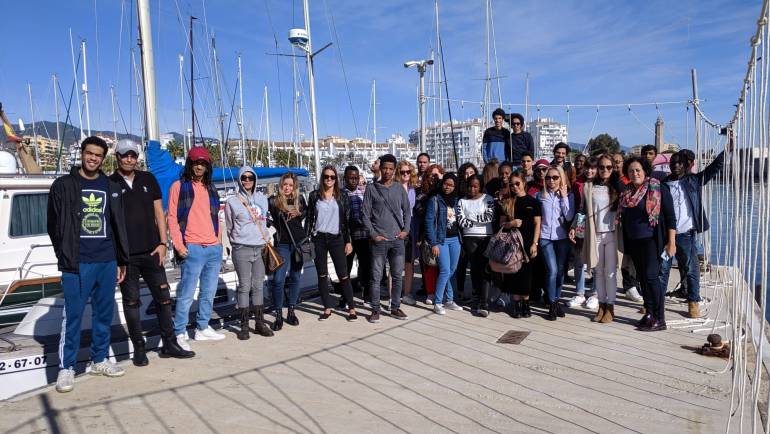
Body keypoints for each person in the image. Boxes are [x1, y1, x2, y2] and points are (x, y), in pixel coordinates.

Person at [48, 136, 130, 393]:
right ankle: (66, 367)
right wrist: (64, 253)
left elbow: (117, 224)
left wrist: (120, 259)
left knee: (104, 315)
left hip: (107, 259)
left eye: (98, 155)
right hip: (77, 262)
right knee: (72, 316)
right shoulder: (63, 185)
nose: (93, 158)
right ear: (82, 154)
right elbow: (53, 224)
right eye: (89, 153)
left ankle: (99, 360)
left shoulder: (110, 185)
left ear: (103, 158)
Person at [110, 139, 194, 364]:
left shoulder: (148, 179)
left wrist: (163, 243)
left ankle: (169, 343)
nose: (129, 159)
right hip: (126, 256)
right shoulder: (110, 183)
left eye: (133, 155)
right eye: (124, 155)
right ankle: (139, 347)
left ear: (137, 158)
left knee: (164, 299)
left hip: (152, 251)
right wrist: (116, 256)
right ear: (117, 156)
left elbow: (159, 212)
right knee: (131, 302)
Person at [168, 147, 226, 347]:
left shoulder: (211, 188)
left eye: (203, 163)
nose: (199, 166)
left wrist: (218, 242)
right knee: (186, 293)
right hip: (191, 247)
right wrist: (178, 244)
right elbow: (173, 218)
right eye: (195, 163)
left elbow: (216, 217)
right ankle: (180, 331)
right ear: (190, 164)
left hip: (212, 248)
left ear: (207, 166)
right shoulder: (179, 186)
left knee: (208, 292)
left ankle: (202, 327)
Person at [659, 148, 725, 318]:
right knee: (662, 269)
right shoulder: (663, 184)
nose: (675, 165)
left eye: (679, 162)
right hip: (666, 235)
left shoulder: (694, 180)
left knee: (691, 269)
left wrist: (728, 151)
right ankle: (656, 303)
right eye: (672, 163)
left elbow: (714, 167)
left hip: (687, 234)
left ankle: (693, 302)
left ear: (685, 165)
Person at [618, 157, 676, 332]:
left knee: (651, 277)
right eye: (630, 171)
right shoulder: (626, 193)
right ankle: (649, 313)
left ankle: (660, 318)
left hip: (652, 240)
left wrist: (671, 242)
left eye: (638, 170)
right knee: (642, 278)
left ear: (645, 171)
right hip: (634, 242)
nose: (634, 174)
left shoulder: (658, 188)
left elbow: (670, 217)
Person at [225, 166, 275, 339]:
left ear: (254, 179)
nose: (247, 181)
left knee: (258, 286)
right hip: (242, 248)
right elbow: (230, 227)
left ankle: (260, 323)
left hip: (260, 247)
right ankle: (244, 325)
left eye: (250, 177)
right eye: (244, 178)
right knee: (245, 286)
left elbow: (264, 221)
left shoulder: (262, 198)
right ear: (240, 180)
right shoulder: (232, 201)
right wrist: (237, 242)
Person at [362, 153, 411, 322]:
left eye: (391, 168)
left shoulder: (399, 188)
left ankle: (395, 307)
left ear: (394, 169)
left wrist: (406, 230)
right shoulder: (371, 188)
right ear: (380, 168)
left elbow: (407, 211)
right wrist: (374, 235)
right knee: (376, 277)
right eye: (385, 168)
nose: (388, 171)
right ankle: (375, 309)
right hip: (379, 241)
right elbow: (365, 215)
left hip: (397, 240)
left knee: (397, 276)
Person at [305, 166, 358, 321]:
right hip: (319, 239)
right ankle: (327, 308)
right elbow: (309, 218)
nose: (329, 179)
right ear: (322, 178)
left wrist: (348, 241)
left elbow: (347, 222)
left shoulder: (342, 196)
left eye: (332, 177)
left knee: (343, 275)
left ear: (336, 179)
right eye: (326, 176)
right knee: (322, 275)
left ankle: (352, 308)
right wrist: (308, 238)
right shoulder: (314, 195)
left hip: (336, 238)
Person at [570, 154, 619, 322]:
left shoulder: (617, 186)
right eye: (602, 167)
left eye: (608, 167)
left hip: (612, 234)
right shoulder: (588, 186)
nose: (605, 170)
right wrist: (574, 226)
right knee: (597, 272)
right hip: (594, 234)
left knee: (610, 273)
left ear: (613, 168)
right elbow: (583, 210)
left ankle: (610, 307)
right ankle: (601, 305)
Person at [498, 171, 541, 318]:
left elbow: (537, 224)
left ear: (524, 183)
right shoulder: (507, 201)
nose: (515, 187)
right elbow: (501, 224)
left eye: (517, 183)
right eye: (512, 185)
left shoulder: (533, 202)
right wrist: (511, 223)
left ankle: (526, 303)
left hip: (528, 243)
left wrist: (535, 243)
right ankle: (516, 303)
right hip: (512, 244)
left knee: (527, 274)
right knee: (514, 273)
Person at [267, 172, 307, 330]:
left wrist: (300, 213)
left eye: (291, 185)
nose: (288, 188)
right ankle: (278, 313)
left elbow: (308, 215)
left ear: (295, 186)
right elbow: (264, 217)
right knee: (278, 279)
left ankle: (291, 309)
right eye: (285, 185)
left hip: (298, 243)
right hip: (282, 244)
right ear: (281, 185)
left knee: (296, 277)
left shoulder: (300, 200)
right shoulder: (273, 201)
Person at [537, 166, 574, 320]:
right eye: (548, 178)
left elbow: (569, 215)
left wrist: (564, 197)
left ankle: (556, 299)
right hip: (545, 237)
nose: (551, 181)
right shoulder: (540, 196)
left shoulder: (568, 195)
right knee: (552, 270)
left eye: (555, 177)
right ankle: (551, 303)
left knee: (559, 271)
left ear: (561, 179)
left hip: (562, 238)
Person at [457, 175, 496, 316]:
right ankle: (476, 297)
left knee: (485, 269)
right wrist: (477, 219)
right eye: (470, 186)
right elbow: (462, 221)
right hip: (469, 237)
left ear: (480, 186)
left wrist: (470, 218)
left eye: (475, 186)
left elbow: (489, 217)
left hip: (486, 236)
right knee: (474, 268)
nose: (472, 189)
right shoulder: (461, 201)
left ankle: (484, 302)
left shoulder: (488, 199)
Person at [424, 173, 463, 315]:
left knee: (452, 271)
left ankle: (449, 300)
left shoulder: (457, 200)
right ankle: (438, 302)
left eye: (451, 185)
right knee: (445, 270)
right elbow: (428, 223)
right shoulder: (434, 200)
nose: (448, 187)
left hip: (456, 239)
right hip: (441, 240)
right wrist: (433, 243)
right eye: (446, 184)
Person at [566, 156, 598, 310]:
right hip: (581, 224)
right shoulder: (579, 183)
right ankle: (579, 293)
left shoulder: (602, 185)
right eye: (587, 167)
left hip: (598, 228)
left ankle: (595, 294)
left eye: (593, 168)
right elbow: (579, 209)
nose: (589, 170)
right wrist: (573, 227)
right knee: (579, 262)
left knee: (596, 263)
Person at [414, 164, 445, 304]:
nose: (433, 178)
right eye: (431, 175)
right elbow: (420, 211)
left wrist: (441, 181)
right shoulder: (422, 192)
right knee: (429, 265)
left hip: (444, 233)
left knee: (443, 266)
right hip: (426, 232)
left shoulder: (446, 191)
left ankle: (441, 291)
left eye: (436, 175)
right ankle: (430, 292)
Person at [343, 166, 371, 305]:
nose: (353, 181)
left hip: (364, 235)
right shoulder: (341, 194)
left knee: (366, 266)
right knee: (345, 268)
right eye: (350, 178)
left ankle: (367, 295)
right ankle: (346, 297)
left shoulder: (364, 192)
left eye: (355, 178)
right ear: (345, 179)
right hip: (347, 237)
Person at [397, 160, 420, 306]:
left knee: (409, 263)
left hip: (411, 226)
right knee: (395, 264)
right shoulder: (394, 188)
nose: (406, 174)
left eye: (408, 172)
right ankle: (395, 295)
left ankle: (407, 293)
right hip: (397, 227)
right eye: (402, 172)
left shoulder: (413, 189)